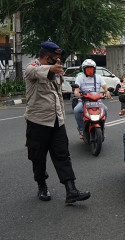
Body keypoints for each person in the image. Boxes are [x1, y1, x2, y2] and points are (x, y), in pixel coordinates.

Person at [24, 41, 91, 203]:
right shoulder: (31, 68)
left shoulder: (56, 72)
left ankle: (71, 190)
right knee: (38, 157)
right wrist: (51, 69)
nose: (58, 61)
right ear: (48, 58)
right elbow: (35, 71)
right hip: (38, 122)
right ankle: (42, 186)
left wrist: (55, 71)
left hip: (57, 121)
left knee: (63, 155)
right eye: (56, 58)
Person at [73, 59, 111, 139]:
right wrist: (77, 93)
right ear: (84, 69)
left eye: (91, 69)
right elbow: (76, 90)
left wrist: (107, 92)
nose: (90, 71)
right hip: (84, 100)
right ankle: (81, 130)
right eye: (88, 69)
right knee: (77, 110)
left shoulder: (98, 77)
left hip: (97, 100)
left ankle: (102, 129)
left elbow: (105, 87)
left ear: (94, 69)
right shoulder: (80, 78)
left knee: (105, 109)